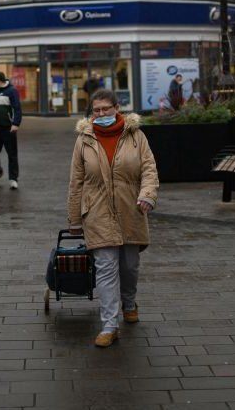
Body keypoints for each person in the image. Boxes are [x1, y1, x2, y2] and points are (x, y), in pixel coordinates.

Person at [67, 89, 159, 347]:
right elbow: (76, 182)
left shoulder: (136, 136)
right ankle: (109, 325)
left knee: (129, 267)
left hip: (131, 209)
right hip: (96, 212)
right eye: (96, 110)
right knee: (106, 269)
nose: (101, 114)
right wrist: (74, 219)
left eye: (106, 109)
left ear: (117, 108)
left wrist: (148, 195)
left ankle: (129, 301)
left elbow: (149, 170)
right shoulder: (84, 140)